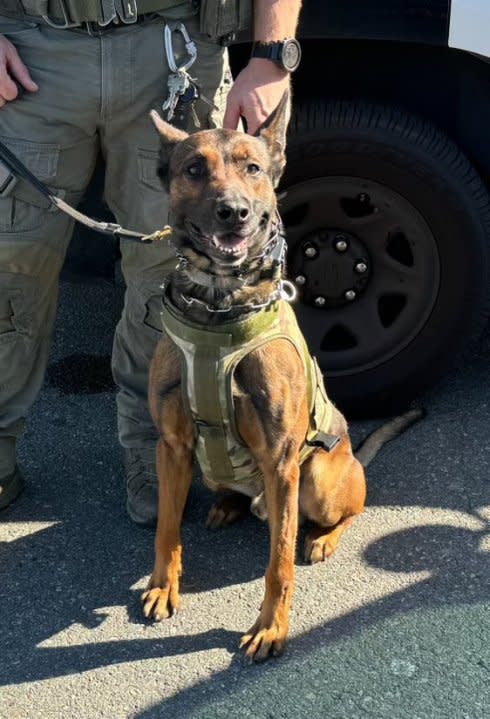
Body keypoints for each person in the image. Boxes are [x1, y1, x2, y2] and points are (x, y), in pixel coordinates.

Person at [0, 0, 302, 523]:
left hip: (169, 49)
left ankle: (155, 448)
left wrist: (273, 55)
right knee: (9, 271)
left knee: (169, 278)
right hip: (32, 46)